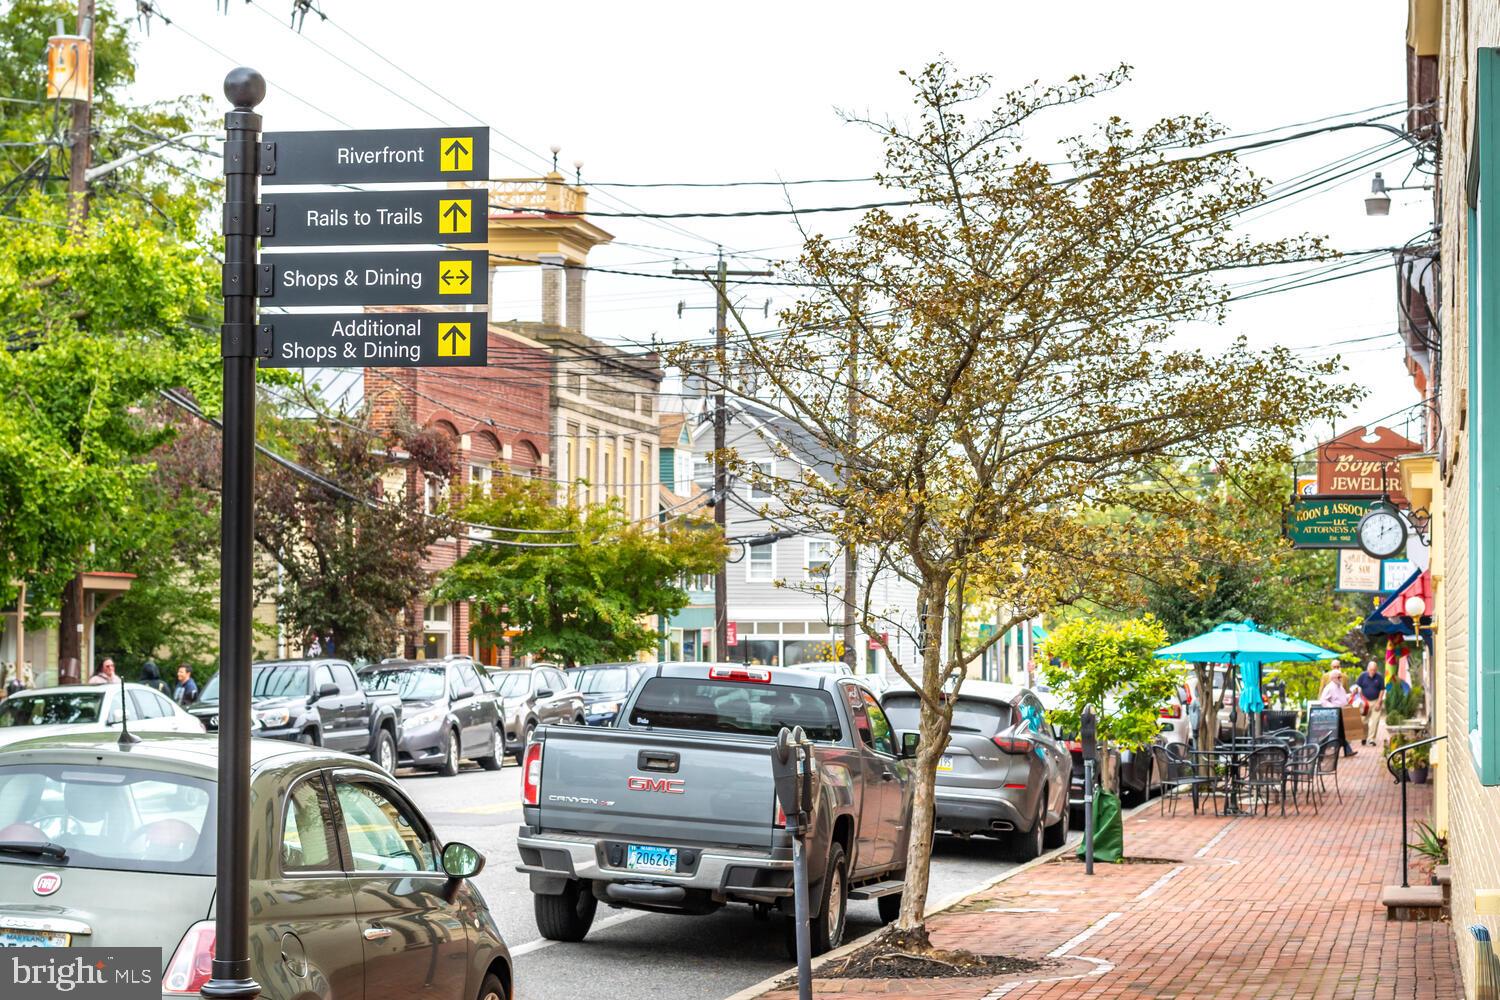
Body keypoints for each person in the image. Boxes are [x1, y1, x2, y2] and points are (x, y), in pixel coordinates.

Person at [1318, 667, 1357, 757]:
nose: (1340, 679)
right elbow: (1323, 700)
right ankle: (1346, 750)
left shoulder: (1340, 687)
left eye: (1340, 677)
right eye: (1338, 677)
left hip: (1341, 712)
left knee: (1339, 733)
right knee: (1337, 732)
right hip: (1334, 714)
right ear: (1332, 678)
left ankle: (1345, 751)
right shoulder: (1329, 687)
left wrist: (1351, 695)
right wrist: (1333, 707)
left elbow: (1343, 698)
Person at [1353, 660, 1385, 746]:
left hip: (1376, 701)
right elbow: (1357, 686)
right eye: (1371, 670)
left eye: (1374, 670)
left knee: (1375, 721)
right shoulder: (1362, 676)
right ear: (1368, 669)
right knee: (1363, 721)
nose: (1372, 672)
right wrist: (1358, 697)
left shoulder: (1379, 677)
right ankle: (1364, 737)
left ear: (1376, 669)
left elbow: (1382, 689)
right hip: (1365, 702)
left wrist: (1379, 701)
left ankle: (1371, 739)